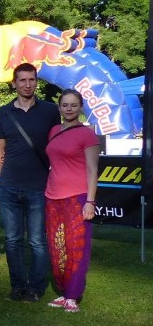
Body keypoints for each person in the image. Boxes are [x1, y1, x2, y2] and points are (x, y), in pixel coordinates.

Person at [0, 63, 60, 302]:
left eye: (31, 79)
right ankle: (18, 286)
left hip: (38, 186)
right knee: (12, 240)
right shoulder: (2, 113)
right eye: (22, 80)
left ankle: (36, 287)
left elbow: (57, 144)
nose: (27, 84)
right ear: (14, 83)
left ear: (36, 82)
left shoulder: (50, 111)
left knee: (37, 241)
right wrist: (4, 176)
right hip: (9, 186)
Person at [44, 90, 100, 313]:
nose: (69, 109)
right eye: (65, 105)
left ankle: (73, 295)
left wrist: (90, 201)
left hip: (77, 197)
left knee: (76, 246)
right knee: (57, 245)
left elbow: (92, 169)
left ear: (80, 107)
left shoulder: (88, 134)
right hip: (52, 196)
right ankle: (63, 290)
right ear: (59, 107)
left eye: (73, 105)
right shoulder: (54, 131)